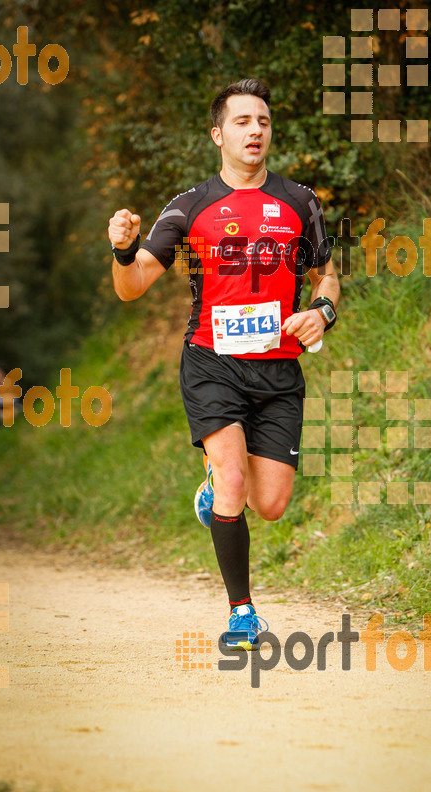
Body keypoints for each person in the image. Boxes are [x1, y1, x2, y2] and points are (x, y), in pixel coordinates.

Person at [108, 78, 340, 650]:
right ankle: (242, 613)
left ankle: (216, 493)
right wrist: (120, 249)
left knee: (272, 504)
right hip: (211, 361)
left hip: (280, 370)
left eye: (262, 121)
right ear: (218, 134)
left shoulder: (300, 201)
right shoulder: (189, 207)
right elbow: (132, 285)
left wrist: (323, 311)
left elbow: (327, 276)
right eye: (241, 122)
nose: (254, 130)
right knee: (235, 479)